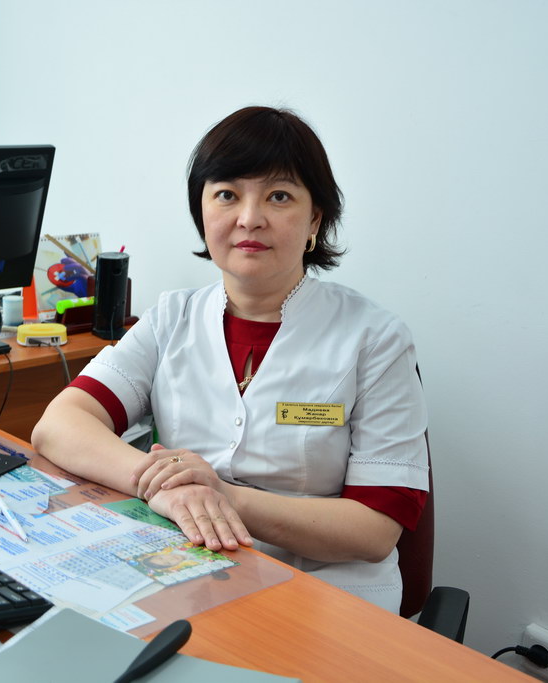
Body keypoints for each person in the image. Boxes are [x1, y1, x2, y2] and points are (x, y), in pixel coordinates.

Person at [30, 106, 429, 612]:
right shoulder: (172, 317)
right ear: (202, 212)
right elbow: (59, 425)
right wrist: (165, 488)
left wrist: (223, 495)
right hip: (184, 572)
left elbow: (373, 531)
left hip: (329, 598)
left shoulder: (375, 340)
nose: (249, 218)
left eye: (279, 196)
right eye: (226, 194)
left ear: (315, 219)